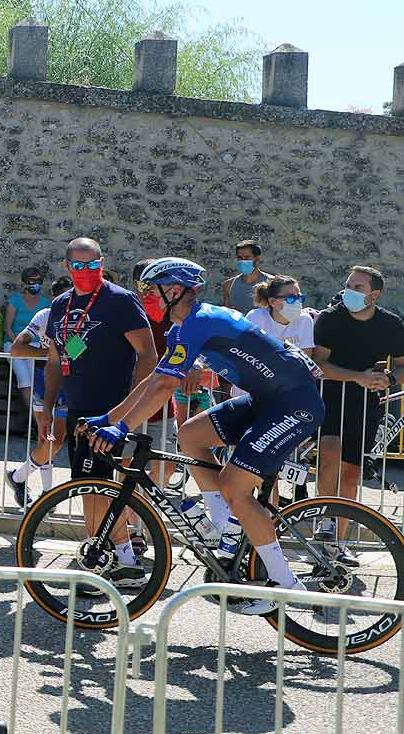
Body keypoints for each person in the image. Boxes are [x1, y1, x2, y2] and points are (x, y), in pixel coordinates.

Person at [81, 258, 327, 615]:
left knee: (235, 486)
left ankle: (285, 584)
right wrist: (109, 418)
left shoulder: (201, 321)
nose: (144, 296)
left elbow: (166, 385)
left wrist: (120, 429)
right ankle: (224, 526)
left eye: (150, 290)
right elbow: (153, 381)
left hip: (294, 405)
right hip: (267, 401)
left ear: (175, 290)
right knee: (191, 434)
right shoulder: (181, 330)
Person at [17, 238, 156, 558]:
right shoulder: (59, 305)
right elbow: (55, 360)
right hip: (78, 409)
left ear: (102, 263)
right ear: (67, 266)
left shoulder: (119, 301)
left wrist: (131, 407)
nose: (85, 270)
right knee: (89, 488)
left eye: (92, 264)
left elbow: (147, 354)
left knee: (101, 489)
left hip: (113, 411)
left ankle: (123, 557)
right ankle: (107, 555)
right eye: (78, 265)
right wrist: (46, 409)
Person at [310, 265, 404, 559]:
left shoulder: (390, 324)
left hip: (366, 401)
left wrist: (390, 379)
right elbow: (320, 364)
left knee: (353, 473)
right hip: (329, 395)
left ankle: (338, 545)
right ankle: (324, 523)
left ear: (375, 295)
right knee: (330, 453)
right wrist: (356, 376)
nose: (349, 292)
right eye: (348, 285)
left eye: (357, 288)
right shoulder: (331, 319)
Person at [6, 276, 71, 507]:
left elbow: (77, 352)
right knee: (48, 439)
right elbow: (16, 348)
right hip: (44, 382)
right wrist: (48, 354)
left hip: (69, 384)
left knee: (55, 441)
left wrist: (59, 353)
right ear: (54, 299)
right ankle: (46, 494)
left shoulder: (80, 318)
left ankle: (19, 477)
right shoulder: (44, 316)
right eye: (63, 298)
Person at [233, 275, 315, 399]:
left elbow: (303, 363)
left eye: (299, 297)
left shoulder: (305, 320)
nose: (297, 301)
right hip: (250, 394)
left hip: (284, 394)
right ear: (272, 301)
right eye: (291, 298)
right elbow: (246, 358)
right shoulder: (256, 318)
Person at [3, 266, 51, 421]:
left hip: (37, 347)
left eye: (39, 281)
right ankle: (36, 422)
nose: (35, 284)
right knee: (24, 379)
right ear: (24, 283)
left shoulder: (45, 304)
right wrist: (17, 344)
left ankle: (40, 421)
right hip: (15, 343)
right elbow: (7, 328)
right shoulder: (15, 301)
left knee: (36, 380)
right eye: (31, 281)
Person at [220, 239, 272, 313]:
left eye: (247, 257)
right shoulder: (228, 285)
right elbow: (227, 315)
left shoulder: (272, 283)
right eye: (240, 257)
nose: (243, 261)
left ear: (257, 259)